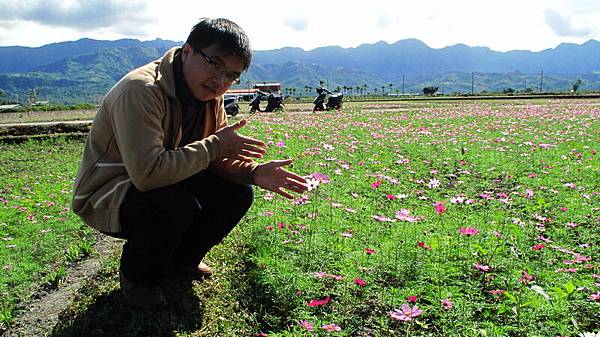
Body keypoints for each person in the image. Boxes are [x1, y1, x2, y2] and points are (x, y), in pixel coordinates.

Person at [71, 18, 308, 308]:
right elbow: (147, 174)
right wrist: (216, 145)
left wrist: (254, 172)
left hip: (164, 177)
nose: (220, 81)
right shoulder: (142, 90)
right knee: (174, 205)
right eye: (214, 64)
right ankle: (139, 278)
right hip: (109, 192)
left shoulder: (211, 96)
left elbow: (214, 159)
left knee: (237, 193)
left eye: (231, 75)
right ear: (187, 51)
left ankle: (182, 261)